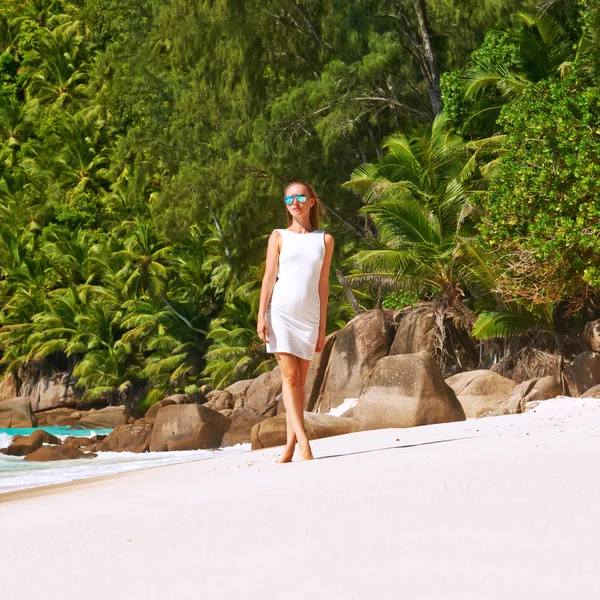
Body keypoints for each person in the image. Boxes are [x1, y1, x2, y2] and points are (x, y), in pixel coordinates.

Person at [257, 182, 334, 462]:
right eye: (289, 197)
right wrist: (261, 315)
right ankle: (304, 444)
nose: (295, 201)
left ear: (312, 201)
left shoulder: (324, 239)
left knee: (300, 384)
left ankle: (289, 448)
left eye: (301, 196)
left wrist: (322, 327)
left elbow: (323, 285)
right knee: (289, 378)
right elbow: (268, 278)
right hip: (280, 313)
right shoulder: (278, 236)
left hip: (309, 316)